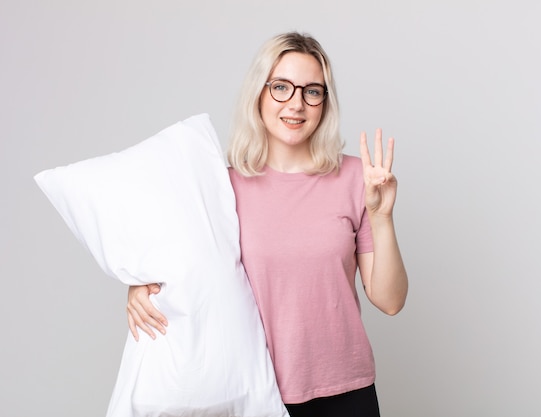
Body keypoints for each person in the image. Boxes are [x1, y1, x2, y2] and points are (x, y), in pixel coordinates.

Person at [125, 31, 408, 417]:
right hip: (249, 391)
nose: (297, 104)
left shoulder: (358, 178)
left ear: (324, 103)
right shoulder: (221, 186)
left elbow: (390, 301)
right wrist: (143, 288)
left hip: (344, 392)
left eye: (312, 91)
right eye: (281, 88)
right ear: (259, 93)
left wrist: (382, 217)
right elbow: (184, 271)